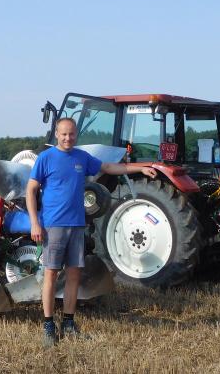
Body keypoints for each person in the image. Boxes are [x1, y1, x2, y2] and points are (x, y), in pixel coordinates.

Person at [25, 117, 158, 347]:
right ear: (57, 134)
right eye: (64, 134)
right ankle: (48, 325)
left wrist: (140, 168)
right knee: (51, 275)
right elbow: (30, 190)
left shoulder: (81, 157)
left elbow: (108, 167)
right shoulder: (45, 158)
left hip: (77, 225)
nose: (68, 138)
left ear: (76, 135)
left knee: (74, 276)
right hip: (52, 226)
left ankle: (68, 322)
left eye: (72, 134)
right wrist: (35, 223)